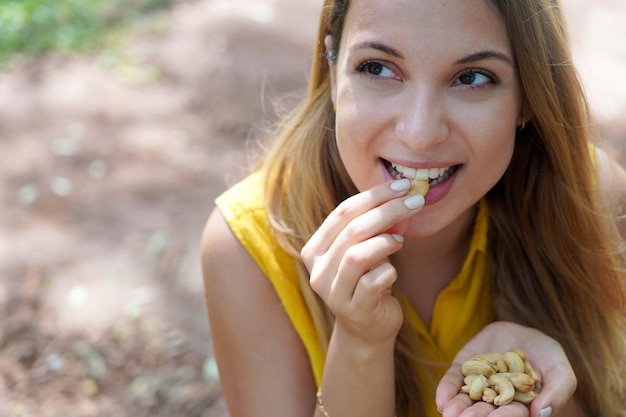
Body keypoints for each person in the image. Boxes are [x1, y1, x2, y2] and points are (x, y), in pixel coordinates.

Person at [201, 0, 626, 416]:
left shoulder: (595, 201)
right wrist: (360, 343)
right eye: (378, 68)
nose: (420, 134)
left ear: (529, 98)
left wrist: (548, 402)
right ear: (332, 69)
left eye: (473, 77)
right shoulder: (246, 247)